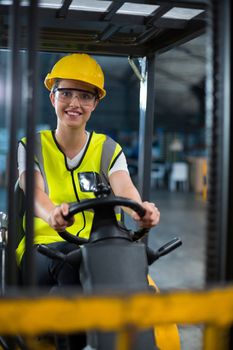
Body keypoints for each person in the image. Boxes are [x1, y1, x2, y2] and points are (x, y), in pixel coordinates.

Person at [16, 53, 160, 349]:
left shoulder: (107, 148)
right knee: (74, 261)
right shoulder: (32, 146)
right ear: (52, 96)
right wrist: (52, 213)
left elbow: (125, 191)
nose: (74, 103)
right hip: (41, 249)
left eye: (84, 96)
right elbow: (33, 192)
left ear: (95, 103)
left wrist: (140, 212)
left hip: (98, 248)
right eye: (66, 93)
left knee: (130, 271)